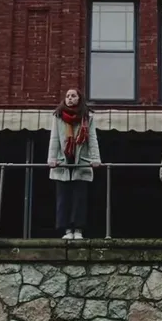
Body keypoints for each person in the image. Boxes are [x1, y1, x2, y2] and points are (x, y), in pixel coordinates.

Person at [47, 88, 102, 239]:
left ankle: (78, 230)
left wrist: (95, 159)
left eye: (73, 96)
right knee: (63, 198)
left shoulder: (87, 117)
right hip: (62, 161)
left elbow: (92, 139)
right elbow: (54, 138)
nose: (70, 98)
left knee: (79, 198)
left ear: (79, 98)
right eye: (67, 96)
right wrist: (52, 158)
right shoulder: (58, 116)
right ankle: (67, 231)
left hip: (81, 162)